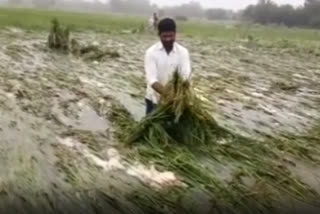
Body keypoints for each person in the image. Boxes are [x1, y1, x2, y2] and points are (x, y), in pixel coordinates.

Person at [144, 17, 192, 115]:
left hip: (177, 101)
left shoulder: (183, 52)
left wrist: (178, 96)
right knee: (152, 127)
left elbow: (186, 76)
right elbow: (152, 80)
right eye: (164, 36)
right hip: (154, 99)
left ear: (175, 33)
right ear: (159, 35)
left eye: (171, 36)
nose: (168, 39)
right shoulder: (151, 53)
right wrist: (169, 95)